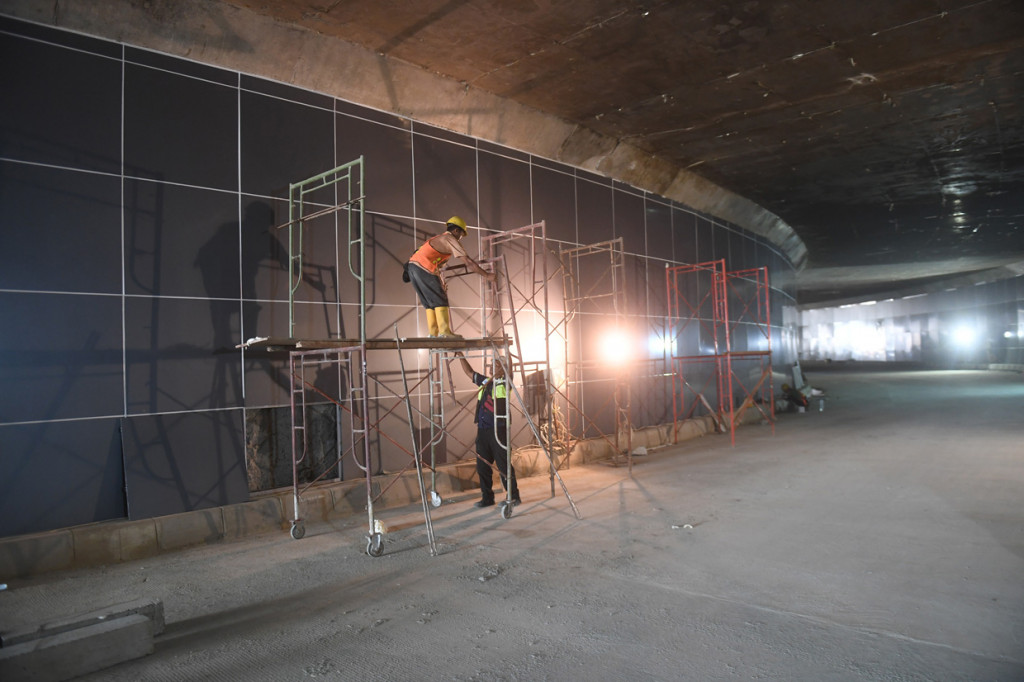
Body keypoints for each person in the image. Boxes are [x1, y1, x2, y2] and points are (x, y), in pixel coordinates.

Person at [405, 216, 494, 338]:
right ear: (456, 230)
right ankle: (445, 332)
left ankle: (433, 334)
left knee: (429, 302)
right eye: (461, 234)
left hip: (412, 268)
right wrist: (487, 275)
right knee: (440, 300)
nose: (461, 238)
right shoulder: (450, 239)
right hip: (424, 267)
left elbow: (436, 267)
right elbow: (468, 262)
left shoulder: (438, 239)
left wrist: (441, 283)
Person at [455, 352, 521, 508]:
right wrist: (461, 356)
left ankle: (514, 496)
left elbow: (509, 371)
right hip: (483, 430)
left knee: (504, 466)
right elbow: (469, 373)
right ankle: (487, 498)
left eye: (496, 365)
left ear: (503, 368)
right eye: (492, 364)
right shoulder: (485, 381)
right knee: (482, 466)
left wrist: (505, 358)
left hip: (499, 430)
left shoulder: (505, 382)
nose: (492, 367)